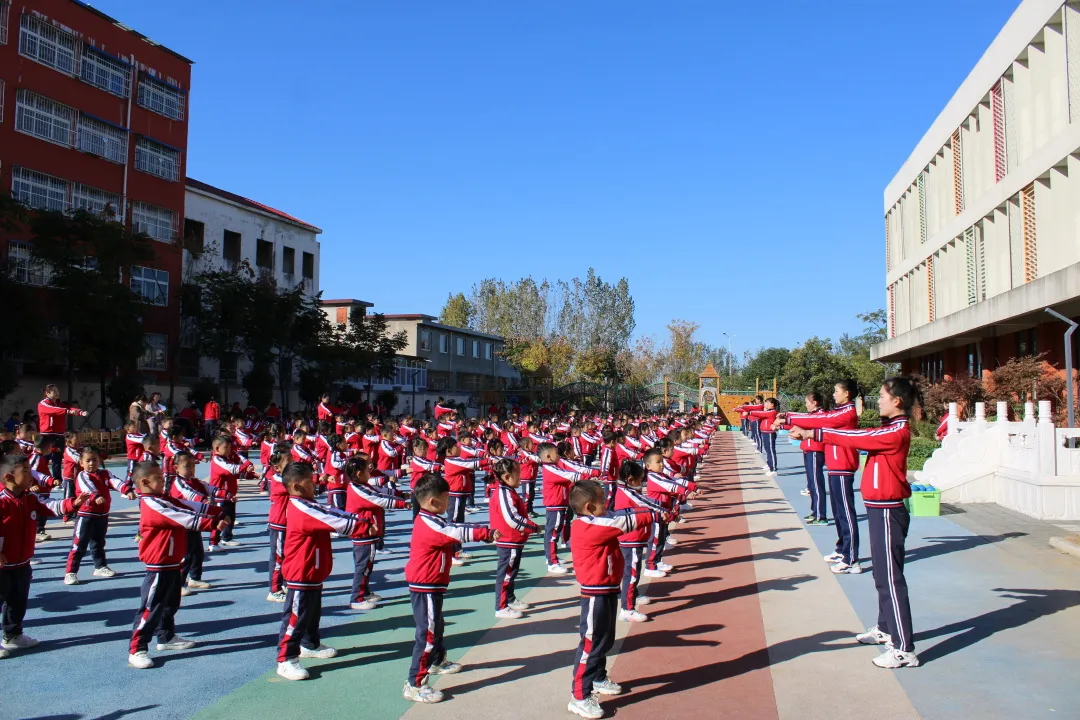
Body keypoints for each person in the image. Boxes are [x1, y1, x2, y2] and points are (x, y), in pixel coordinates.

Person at [789, 377, 921, 669]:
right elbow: (859, 436)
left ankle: (903, 648)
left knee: (890, 578)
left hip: (888, 511)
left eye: (883, 395)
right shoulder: (888, 428)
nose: (879, 400)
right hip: (878, 508)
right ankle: (886, 628)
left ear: (897, 401)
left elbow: (855, 438)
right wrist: (811, 434)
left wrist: (814, 434)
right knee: (882, 576)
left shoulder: (897, 431)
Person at [565, 480, 659, 719]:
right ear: (588, 507)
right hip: (594, 593)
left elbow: (619, 515)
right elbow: (623, 520)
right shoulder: (587, 526)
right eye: (602, 501)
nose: (607, 504)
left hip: (607, 589)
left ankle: (597, 678)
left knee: (605, 640)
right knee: (591, 643)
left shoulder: (596, 521)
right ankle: (579, 696)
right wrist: (655, 513)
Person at [276, 461, 377, 681]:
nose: (315, 485)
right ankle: (285, 659)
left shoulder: (309, 502)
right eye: (309, 482)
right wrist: (362, 525)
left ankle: (309, 644)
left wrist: (359, 520)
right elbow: (334, 520)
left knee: (312, 613)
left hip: (313, 570)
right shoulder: (300, 506)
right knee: (296, 615)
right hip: (300, 571)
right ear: (296, 486)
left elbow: (332, 511)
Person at [403, 472, 497, 703]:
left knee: (437, 625)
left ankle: (437, 661)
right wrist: (486, 534)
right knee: (427, 633)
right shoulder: (429, 523)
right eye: (446, 498)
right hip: (424, 585)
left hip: (433, 583)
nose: (449, 502)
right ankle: (415, 683)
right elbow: (455, 532)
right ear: (433, 501)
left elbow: (453, 526)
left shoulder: (432, 518)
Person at [127, 461, 227, 669]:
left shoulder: (163, 498)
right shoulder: (150, 503)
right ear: (145, 482)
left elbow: (187, 505)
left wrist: (216, 511)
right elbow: (183, 518)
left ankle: (166, 636)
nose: (164, 481)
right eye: (159, 478)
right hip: (159, 563)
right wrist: (210, 523)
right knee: (151, 606)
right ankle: (137, 648)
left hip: (173, 561)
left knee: (170, 603)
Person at [0, 451, 87, 659]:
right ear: (9, 477)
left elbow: (48, 506)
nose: (31, 475)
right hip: (3, 564)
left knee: (17, 601)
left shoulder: (29, 497)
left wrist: (71, 504)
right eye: (26, 471)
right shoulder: (2, 501)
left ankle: (13, 635)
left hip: (22, 562)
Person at [779, 379, 863, 574]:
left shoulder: (847, 411)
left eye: (836, 391)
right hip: (834, 466)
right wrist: (801, 433)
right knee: (838, 511)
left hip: (843, 466)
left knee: (846, 513)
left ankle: (852, 559)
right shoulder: (838, 411)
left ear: (847, 394)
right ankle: (842, 549)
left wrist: (789, 418)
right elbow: (820, 428)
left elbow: (820, 421)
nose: (833, 394)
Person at [344, 455, 408, 611]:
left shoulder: (363, 485)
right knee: (363, 566)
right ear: (359, 474)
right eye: (367, 470)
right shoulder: (357, 489)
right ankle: (356, 597)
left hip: (368, 533)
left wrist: (400, 494)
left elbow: (381, 490)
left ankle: (364, 592)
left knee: (367, 565)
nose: (370, 472)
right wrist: (402, 504)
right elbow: (379, 499)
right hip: (364, 533)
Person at [65, 446, 135, 585]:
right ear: (81, 463)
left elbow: (115, 481)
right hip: (87, 515)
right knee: (79, 544)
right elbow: (88, 487)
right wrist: (95, 496)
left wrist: (127, 490)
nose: (92, 463)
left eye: (95, 460)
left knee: (98, 542)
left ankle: (100, 566)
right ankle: (70, 572)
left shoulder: (105, 473)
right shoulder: (82, 475)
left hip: (102, 515)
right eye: (88, 460)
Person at [613, 460, 666, 622]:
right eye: (640, 479)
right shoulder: (628, 493)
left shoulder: (626, 489)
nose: (642, 483)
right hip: (631, 538)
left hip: (633, 537)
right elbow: (649, 504)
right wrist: (667, 510)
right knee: (631, 573)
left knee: (632, 571)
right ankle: (627, 609)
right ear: (630, 479)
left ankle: (632, 596)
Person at [488, 458, 539, 619]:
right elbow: (512, 518)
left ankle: (509, 599)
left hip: (515, 540)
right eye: (518, 473)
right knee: (506, 573)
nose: (521, 476)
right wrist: (532, 527)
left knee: (512, 571)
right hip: (508, 539)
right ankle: (501, 606)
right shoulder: (503, 493)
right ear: (507, 476)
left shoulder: (509, 491)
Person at [538, 442, 590, 575]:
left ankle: (550, 557)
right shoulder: (551, 469)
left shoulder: (553, 467)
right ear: (549, 456)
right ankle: (552, 562)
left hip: (558, 504)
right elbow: (570, 476)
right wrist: (590, 474)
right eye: (556, 453)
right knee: (553, 534)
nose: (558, 456)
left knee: (553, 532)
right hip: (555, 505)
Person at [38, 384, 89, 483]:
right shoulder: (43, 404)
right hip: (47, 435)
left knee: (57, 459)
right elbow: (54, 411)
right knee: (44, 458)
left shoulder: (59, 404)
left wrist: (79, 412)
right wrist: (67, 411)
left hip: (59, 434)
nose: (57, 393)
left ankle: (57, 479)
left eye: (57, 391)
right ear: (47, 393)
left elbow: (69, 408)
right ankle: (40, 478)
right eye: (54, 391)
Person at [796, 392, 828, 525]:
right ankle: (815, 511)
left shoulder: (821, 415)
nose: (805, 405)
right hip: (808, 451)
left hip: (815, 451)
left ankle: (822, 516)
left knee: (816, 483)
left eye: (807, 402)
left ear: (815, 403)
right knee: (811, 484)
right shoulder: (811, 415)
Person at [747, 398, 779, 475]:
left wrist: (750, 412)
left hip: (770, 433)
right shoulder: (767, 411)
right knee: (767, 449)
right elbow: (760, 415)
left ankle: (774, 469)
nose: (766, 404)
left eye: (768, 403)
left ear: (772, 404)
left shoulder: (772, 412)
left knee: (771, 450)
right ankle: (769, 464)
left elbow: (761, 414)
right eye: (765, 403)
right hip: (765, 432)